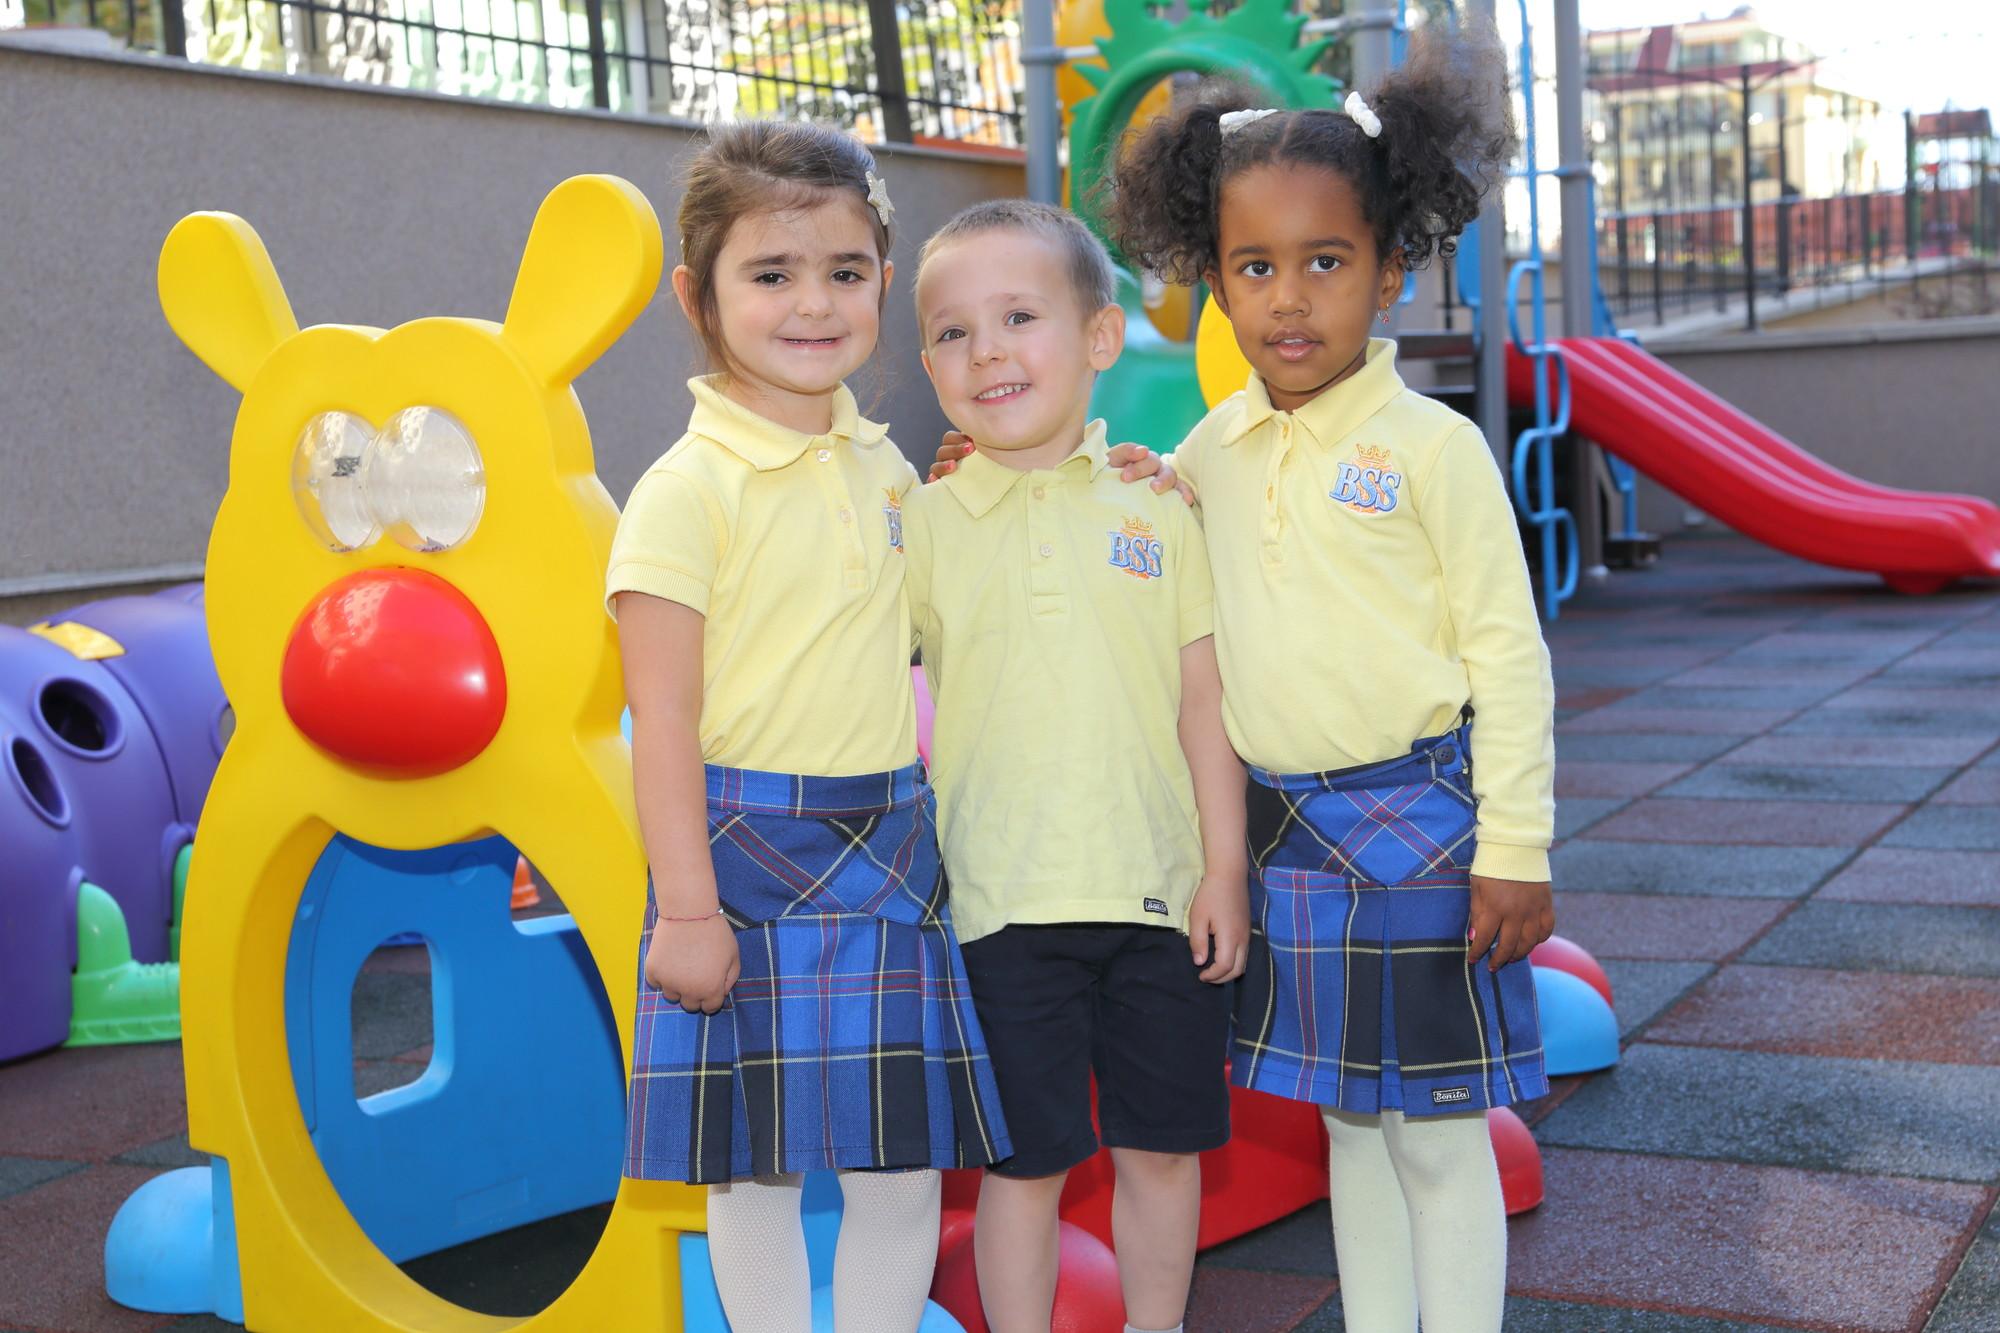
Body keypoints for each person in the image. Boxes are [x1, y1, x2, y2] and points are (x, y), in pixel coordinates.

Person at [1100, 22, 1555, 1333]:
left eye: (1325, 262)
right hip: (1287, 834)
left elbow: (1508, 661)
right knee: (1352, 1125)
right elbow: (1144, 561)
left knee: (1436, 1133)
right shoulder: (1212, 451)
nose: (1289, 296)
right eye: (1256, 266)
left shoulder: (1433, 449)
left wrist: (1515, 845)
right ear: (1215, 284)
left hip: (1423, 828)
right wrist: (1065, 487)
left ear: (1391, 269)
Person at [607, 121, 1010, 1332]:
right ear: (699, 295)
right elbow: (661, 719)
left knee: (900, 1159)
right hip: (740, 855)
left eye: (843, 271)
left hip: (887, 838)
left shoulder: (886, 470)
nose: (812, 303)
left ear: (883, 283)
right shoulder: (686, 491)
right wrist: (685, 908)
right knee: (755, 1166)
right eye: (770, 274)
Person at [902, 199, 1248, 1333]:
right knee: (1024, 1166)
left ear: (1099, 338)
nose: (987, 349)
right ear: (928, 365)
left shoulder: (1161, 503)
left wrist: (1223, 871)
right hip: (1000, 904)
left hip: (1157, 895)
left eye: (1017, 316)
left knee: (1160, 1151)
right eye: (953, 332)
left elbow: (1204, 703)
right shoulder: (923, 522)